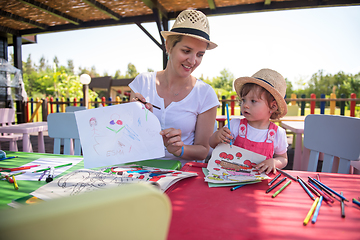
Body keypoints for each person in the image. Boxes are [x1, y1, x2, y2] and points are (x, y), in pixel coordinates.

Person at [129, 9, 220, 166]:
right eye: (186, 51)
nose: (192, 61)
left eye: (200, 54)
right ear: (169, 46)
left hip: (182, 176)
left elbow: (203, 150)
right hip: (140, 170)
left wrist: (180, 149)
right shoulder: (142, 82)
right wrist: (134, 117)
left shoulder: (205, 94)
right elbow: (129, 137)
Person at [209, 68, 288, 174]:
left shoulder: (278, 133)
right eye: (243, 100)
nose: (245, 105)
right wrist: (218, 136)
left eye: (253, 101)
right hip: (232, 178)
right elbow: (212, 144)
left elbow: (283, 158)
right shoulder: (235, 125)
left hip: (260, 183)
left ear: (272, 106)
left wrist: (274, 162)